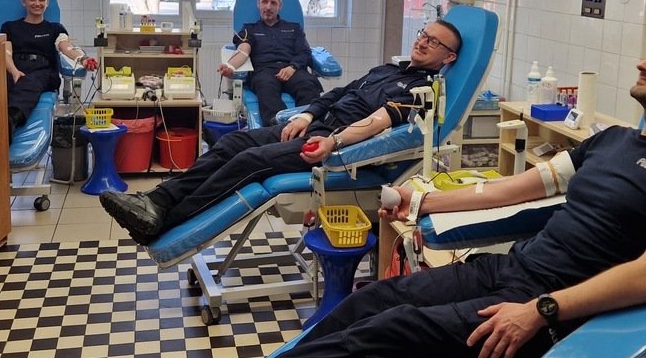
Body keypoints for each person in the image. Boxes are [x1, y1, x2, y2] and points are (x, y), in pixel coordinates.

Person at [279, 26, 646, 358]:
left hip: (550, 303)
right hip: (508, 269)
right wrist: (418, 202)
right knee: (371, 301)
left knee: (387, 331)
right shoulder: (610, 140)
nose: (644, 63)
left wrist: (542, 310)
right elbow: (510, 190)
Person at [101, 20, 464, 245]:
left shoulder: (423, 90)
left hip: (331, 147)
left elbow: (378, 122)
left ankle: (164, 221)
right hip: (316, 126)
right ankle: (157, 200)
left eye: (434, 42)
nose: (422, 42)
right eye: (423, 34)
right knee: (234, 141)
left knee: (250, 161)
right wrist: (307, 115)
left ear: (448, 58)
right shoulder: (389, 69)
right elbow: (339, 92)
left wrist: (332, 142)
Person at [218, 0, 324, 126]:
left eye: (273, 3)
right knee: (265, 86)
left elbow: (304, 52)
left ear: (280, 6)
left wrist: (293, 67)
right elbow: (243, 51)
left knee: (308, 84)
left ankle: (308, 126)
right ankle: (279, 128)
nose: (268, 7)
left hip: (292, 70)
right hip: (264, 72)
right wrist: (230, 66)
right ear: (258, 3)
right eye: (265, 2)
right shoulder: (250, 29)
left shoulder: (293, 28)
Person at [2, 0, 94, 133]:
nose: (37, 3)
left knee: (29, 81)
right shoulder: (9, 27)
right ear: (23, 1)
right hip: (14, 67)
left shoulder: (55, 28)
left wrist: (82, 59)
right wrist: (13, 71)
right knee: (0, 83)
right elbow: (6, 52)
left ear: (47, 2)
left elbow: (66, 46)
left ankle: (11, 119)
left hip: (42, 70)